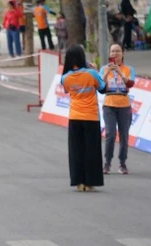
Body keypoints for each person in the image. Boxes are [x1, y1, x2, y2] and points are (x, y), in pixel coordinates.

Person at [61, 45, 106, 191]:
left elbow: (68, 90)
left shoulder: (65, 78)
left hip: (74, 116)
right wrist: (94, 69)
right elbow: (103, 88)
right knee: (91, 150)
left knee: (76, 150)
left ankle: (78, 182)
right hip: (91, 116)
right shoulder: (91, 74)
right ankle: (90, 181)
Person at [101, 44, 135, 175]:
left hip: (124, 105)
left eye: (118, 51)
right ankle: (107, 163)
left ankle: (122, 163)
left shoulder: (128, 69)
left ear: (123, 54)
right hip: (109, 104)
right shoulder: (104, 68)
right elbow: (101, 86)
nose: (115, 54)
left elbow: (130, 84)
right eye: (113, 51)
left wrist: (119, 72)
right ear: (109, 54)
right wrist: (108, 72)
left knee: (124, 136)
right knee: (110, 134)